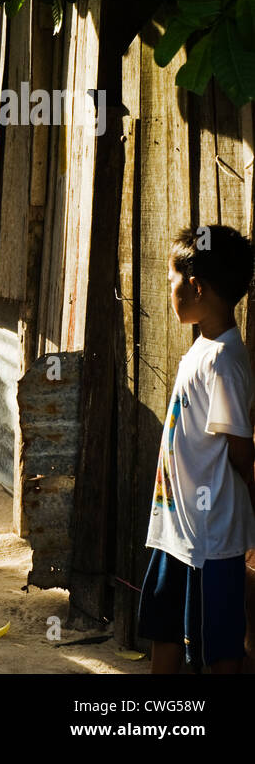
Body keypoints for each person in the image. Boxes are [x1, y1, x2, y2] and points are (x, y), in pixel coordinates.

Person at [139, 224, 255, 673]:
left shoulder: (224, 361)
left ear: (196, 286)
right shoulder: (205, 349)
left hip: (211, 539)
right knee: (165, 627)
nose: (168, 289)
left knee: (220, 645)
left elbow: (240, 449)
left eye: (171, 279)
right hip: (177, 530)